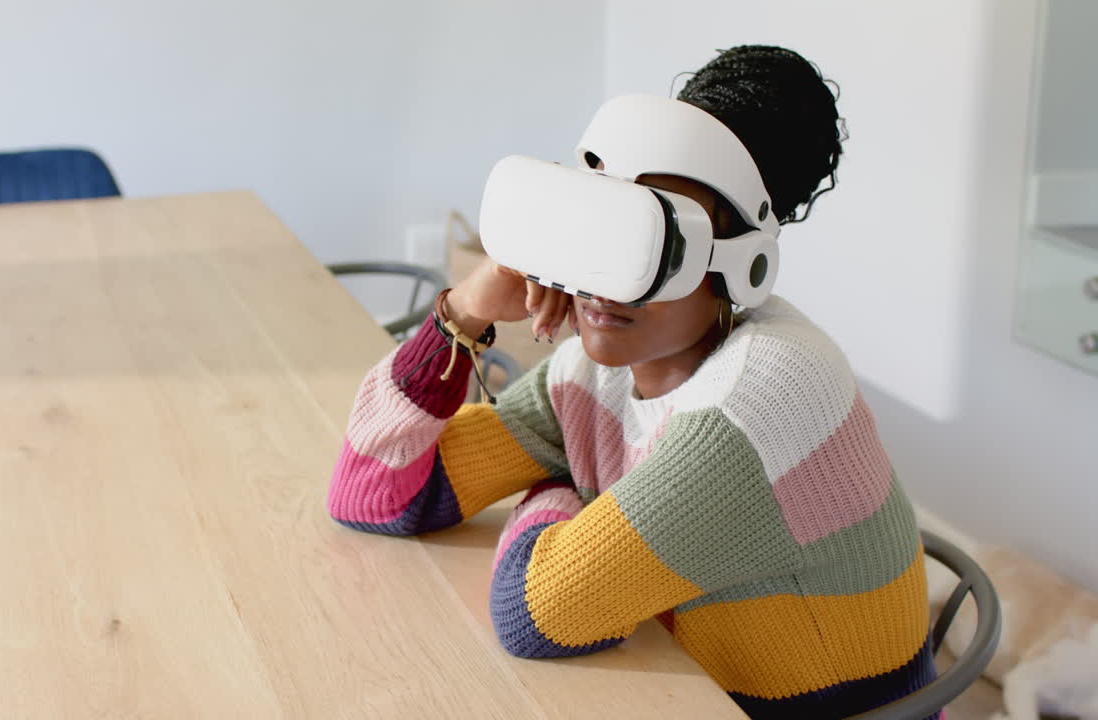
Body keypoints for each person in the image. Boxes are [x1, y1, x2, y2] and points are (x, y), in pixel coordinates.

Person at [327, 45, 937, 720]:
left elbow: (535, 612)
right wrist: (463, 311)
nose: (609, 275)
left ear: (741, 267)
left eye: (656, 243)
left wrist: (560, 493)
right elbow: (374, 494)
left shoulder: (762, 395)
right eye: (604, 222)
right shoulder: (595, 370)